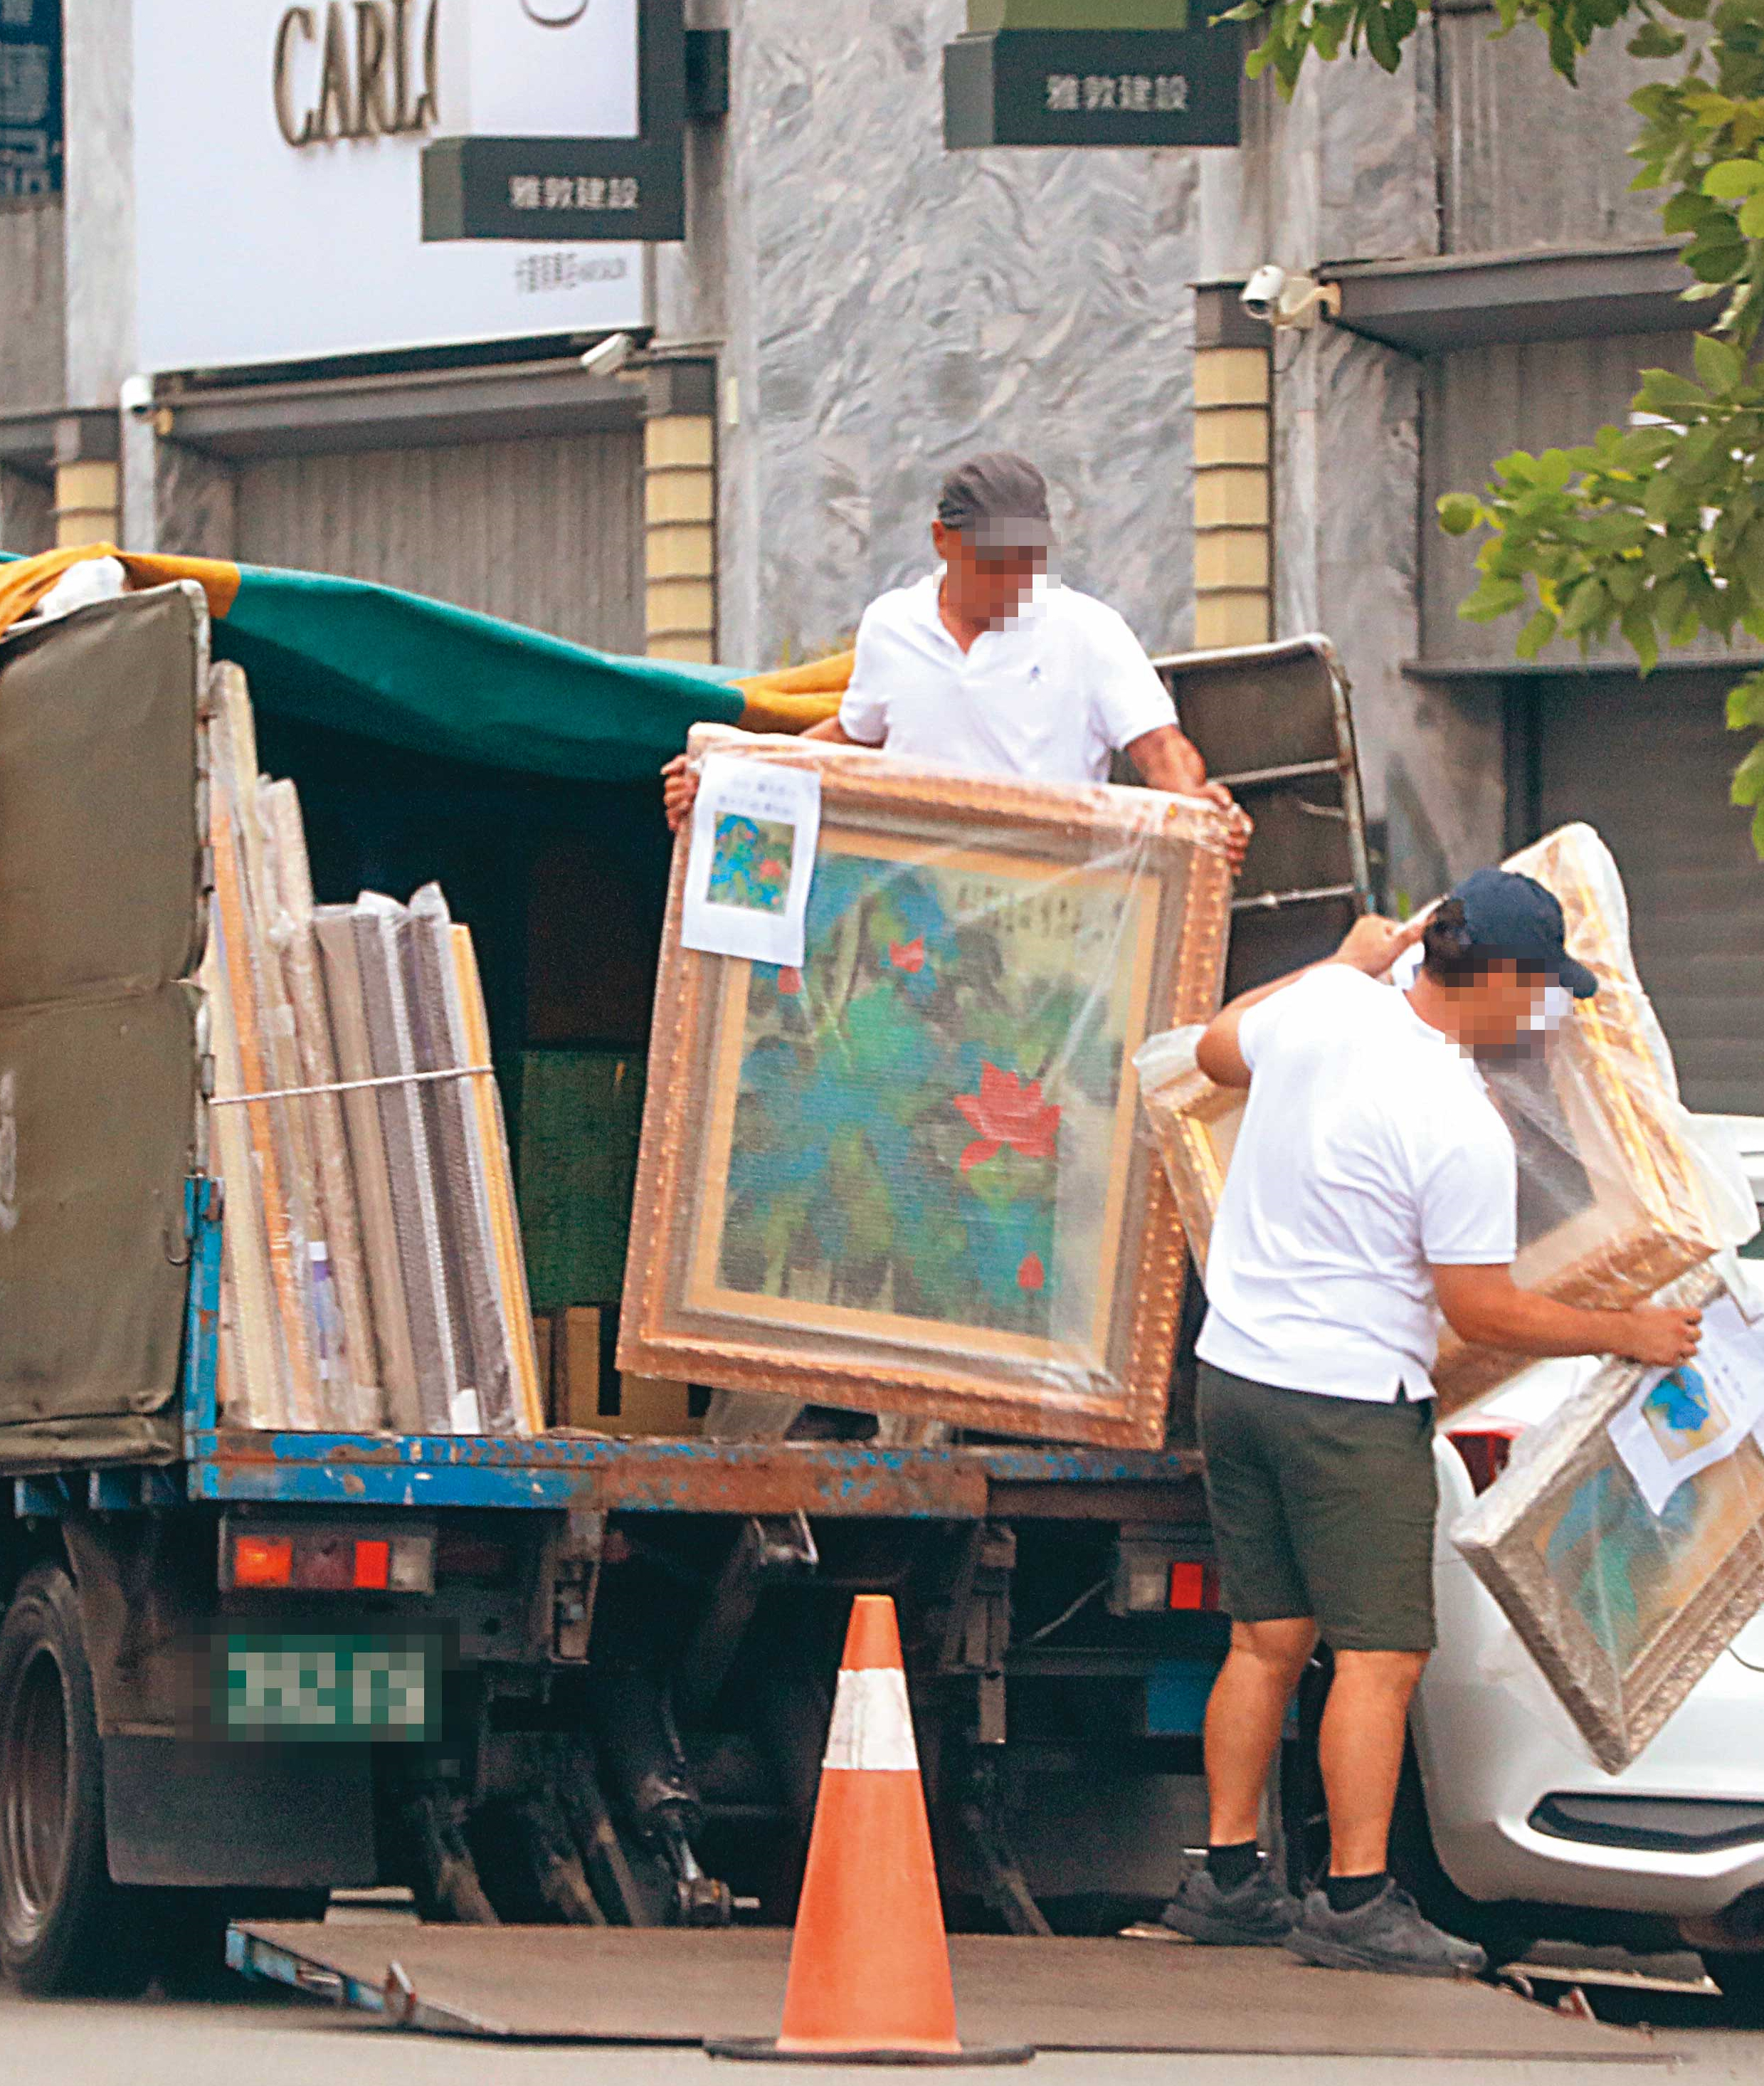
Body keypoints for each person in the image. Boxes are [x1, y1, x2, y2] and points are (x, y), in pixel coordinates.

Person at [1155, 870, 1705, 1978]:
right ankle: (1354, 1902)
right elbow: (1481, 1308)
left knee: (1266, 1640)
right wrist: (1624, 1331)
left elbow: (1214, 1052)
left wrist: (1347, 961)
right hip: (1346, 1404)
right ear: (1494, 977)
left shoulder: (1329, 1005)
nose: (1543, 1013)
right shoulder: (1456, 1122)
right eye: (1541, 989)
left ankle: (1224, 1879)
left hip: (1238, 1378)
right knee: (1381, 1656)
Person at [663, 449, 1243, 828]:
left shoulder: (1087, 630)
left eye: (1026, 563)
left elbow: (1160, 749)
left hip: (1052, 904)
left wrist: (1195, 807)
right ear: (943, 541)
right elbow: (852, 738)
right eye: (992, 564)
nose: (1011, 582)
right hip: (919, 913)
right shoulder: (892, 627)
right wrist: (723, 780)